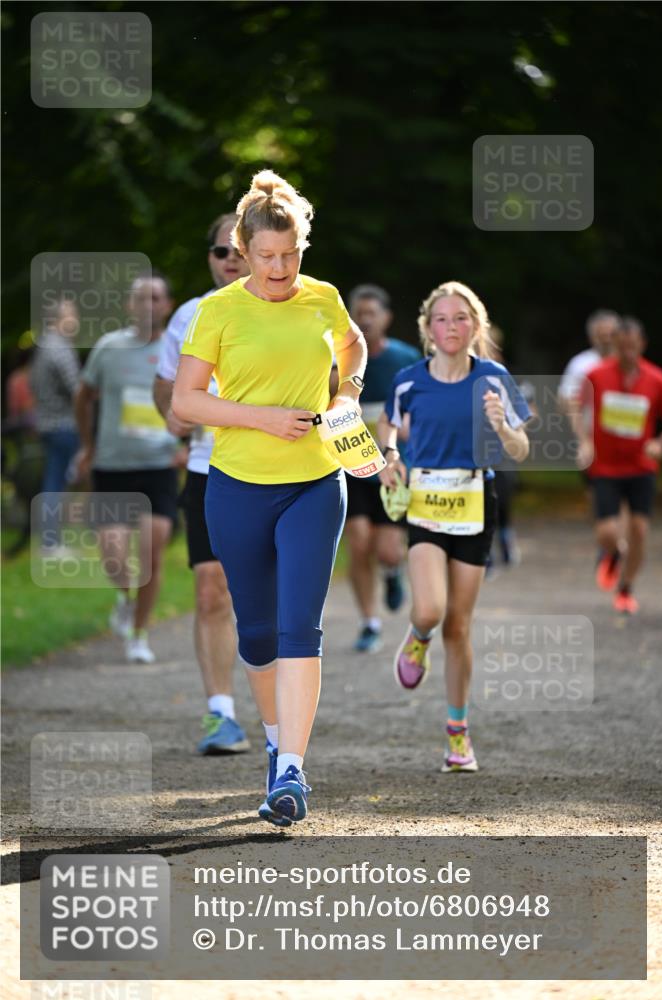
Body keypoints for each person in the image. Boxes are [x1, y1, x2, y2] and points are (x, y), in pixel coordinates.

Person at [172, 169, 367, 826]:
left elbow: (353, 347)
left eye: (290, 255)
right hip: (236, 488)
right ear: (243, 250)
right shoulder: (219, 311)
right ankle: (274, 740)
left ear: (302, 247)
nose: (279, 268)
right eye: (265, 256)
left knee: (299, 628)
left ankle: (291, 769)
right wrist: (262, 418)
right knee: (256, 634)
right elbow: (186, 401)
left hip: (315, 481)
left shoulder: (323, 298)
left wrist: (346, 394)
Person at [377, 281, 530, 773]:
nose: (451, 326)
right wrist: (390, 459)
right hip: (425, 502)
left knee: (460, 625)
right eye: (441, 318)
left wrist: (501, 426)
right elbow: (388, 428)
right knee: (431, 609)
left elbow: (521, 449)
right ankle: (418, 635)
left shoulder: (493, 378)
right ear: (427, 328)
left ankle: (457, 733)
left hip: (475, 503)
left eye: (461, 318)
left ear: (475, 325)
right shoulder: (408, 381)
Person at [153, 213, 251, 755]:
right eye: (220, 251)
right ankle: (221, 714)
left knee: (265, 598)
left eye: (238, 248)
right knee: (212, 590)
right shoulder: (189, 315)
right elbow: (164, 385)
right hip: (208, 469)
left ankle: (283, 721)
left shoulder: (294, 306)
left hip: (276, 472)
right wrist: (172, 415)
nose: (230, 259)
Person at [75, 273, 180, 663]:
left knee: (151, 555)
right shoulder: (109, 348)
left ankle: (138, 635)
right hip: (113, 466)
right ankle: (124, 597)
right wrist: (88, 446)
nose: (147, 305)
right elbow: (83, 396)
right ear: (129, 305)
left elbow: (201, 399)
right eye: (140, 298)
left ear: (167, 305)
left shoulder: (181, 350)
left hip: (159, 466)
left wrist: (189, 445)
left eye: (155, 298)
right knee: (114, 555)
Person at [337, 284, 421, 652]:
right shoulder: (338, 357)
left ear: (386, 318)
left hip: (393, 464)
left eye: (372, 313)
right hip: (350, 465)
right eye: (359, 313)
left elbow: (421, 405)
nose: (365, 319)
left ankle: (391, 571)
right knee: (358, 543)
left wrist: (405, 426)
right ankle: (369, 622)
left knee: (388, 549)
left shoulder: (405, 358)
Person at [575, 317, 662, 614]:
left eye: (633, 346)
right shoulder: (596, 375)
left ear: (642, 345)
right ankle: (614, 552)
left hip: (641, 466)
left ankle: (626, 589)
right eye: (622, 346)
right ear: (615, 345)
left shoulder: (657, 379)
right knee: (607, 532)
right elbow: (576, 408)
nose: (627, 352)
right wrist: (585, 442)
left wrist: (659, 443)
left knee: (639, 530)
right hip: (605, 467)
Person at [30, 299, 81, 555]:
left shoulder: (43, 346)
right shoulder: (59, 347)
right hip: (62, 424)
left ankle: (51, 541)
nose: (76, 320)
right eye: (72, 315)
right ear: (57, 319)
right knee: (55, 485)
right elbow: (77, 389)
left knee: (54, 482)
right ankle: (51, 543)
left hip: (47, 423)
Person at [558, 309, 620, 416]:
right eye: (602, 335)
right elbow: (563, 402)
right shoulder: (579, 364)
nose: (607, 340)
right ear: (592, 337)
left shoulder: (630, 364)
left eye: (611, 335)